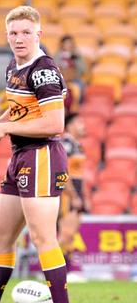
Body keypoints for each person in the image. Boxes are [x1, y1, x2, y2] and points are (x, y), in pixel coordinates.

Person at [0, 6, 74, 303]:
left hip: (42, 154)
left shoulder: (44, 70)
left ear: (38, 34)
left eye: (26, 32)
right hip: (20, 156)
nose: (19, 38)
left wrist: (7, 128)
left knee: (43, 238)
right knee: (2, 236)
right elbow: (20, 110)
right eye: (13, 33)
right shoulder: (13, 66)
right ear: (7, 36)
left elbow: (56, 124)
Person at [59, 114, 86, 269]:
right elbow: (63, 171)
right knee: (65, 233)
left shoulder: (78, 145)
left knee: (71, 234)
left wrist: (84, 195)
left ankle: (66, 271)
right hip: (68, 193)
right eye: (79, 122)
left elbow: (80, 173)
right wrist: (74, 195)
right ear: (69, 126)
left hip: (77, 190)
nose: (83, 125)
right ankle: (53, 270)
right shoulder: (66, 144)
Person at [54, 35, 86, 114]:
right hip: (61, 79)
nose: (69, 45)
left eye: (70, 44)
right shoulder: (57, 55)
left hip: (74, 79)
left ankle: (77, 105)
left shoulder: (77, 55)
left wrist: (76, 58)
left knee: (80, 85)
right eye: (66, 43)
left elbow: (83, 70)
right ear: (62, 45)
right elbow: (54, 68)